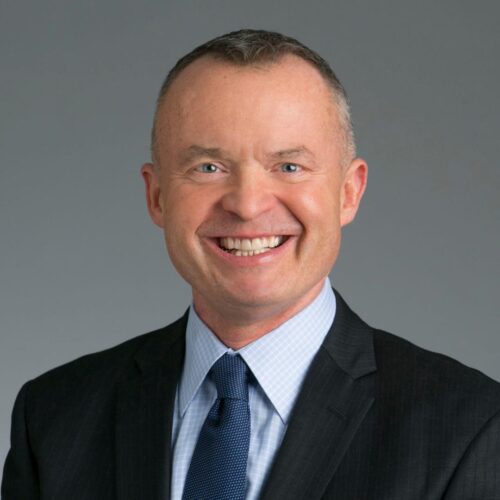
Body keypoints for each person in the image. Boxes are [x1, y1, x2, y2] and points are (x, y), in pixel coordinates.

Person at [2, 29, 500, 500]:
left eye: (289, 166)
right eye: (208, 167)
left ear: (349, 193)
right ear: (157, 197)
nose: (246, 204)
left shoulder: (469, 427)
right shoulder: (53, 417)